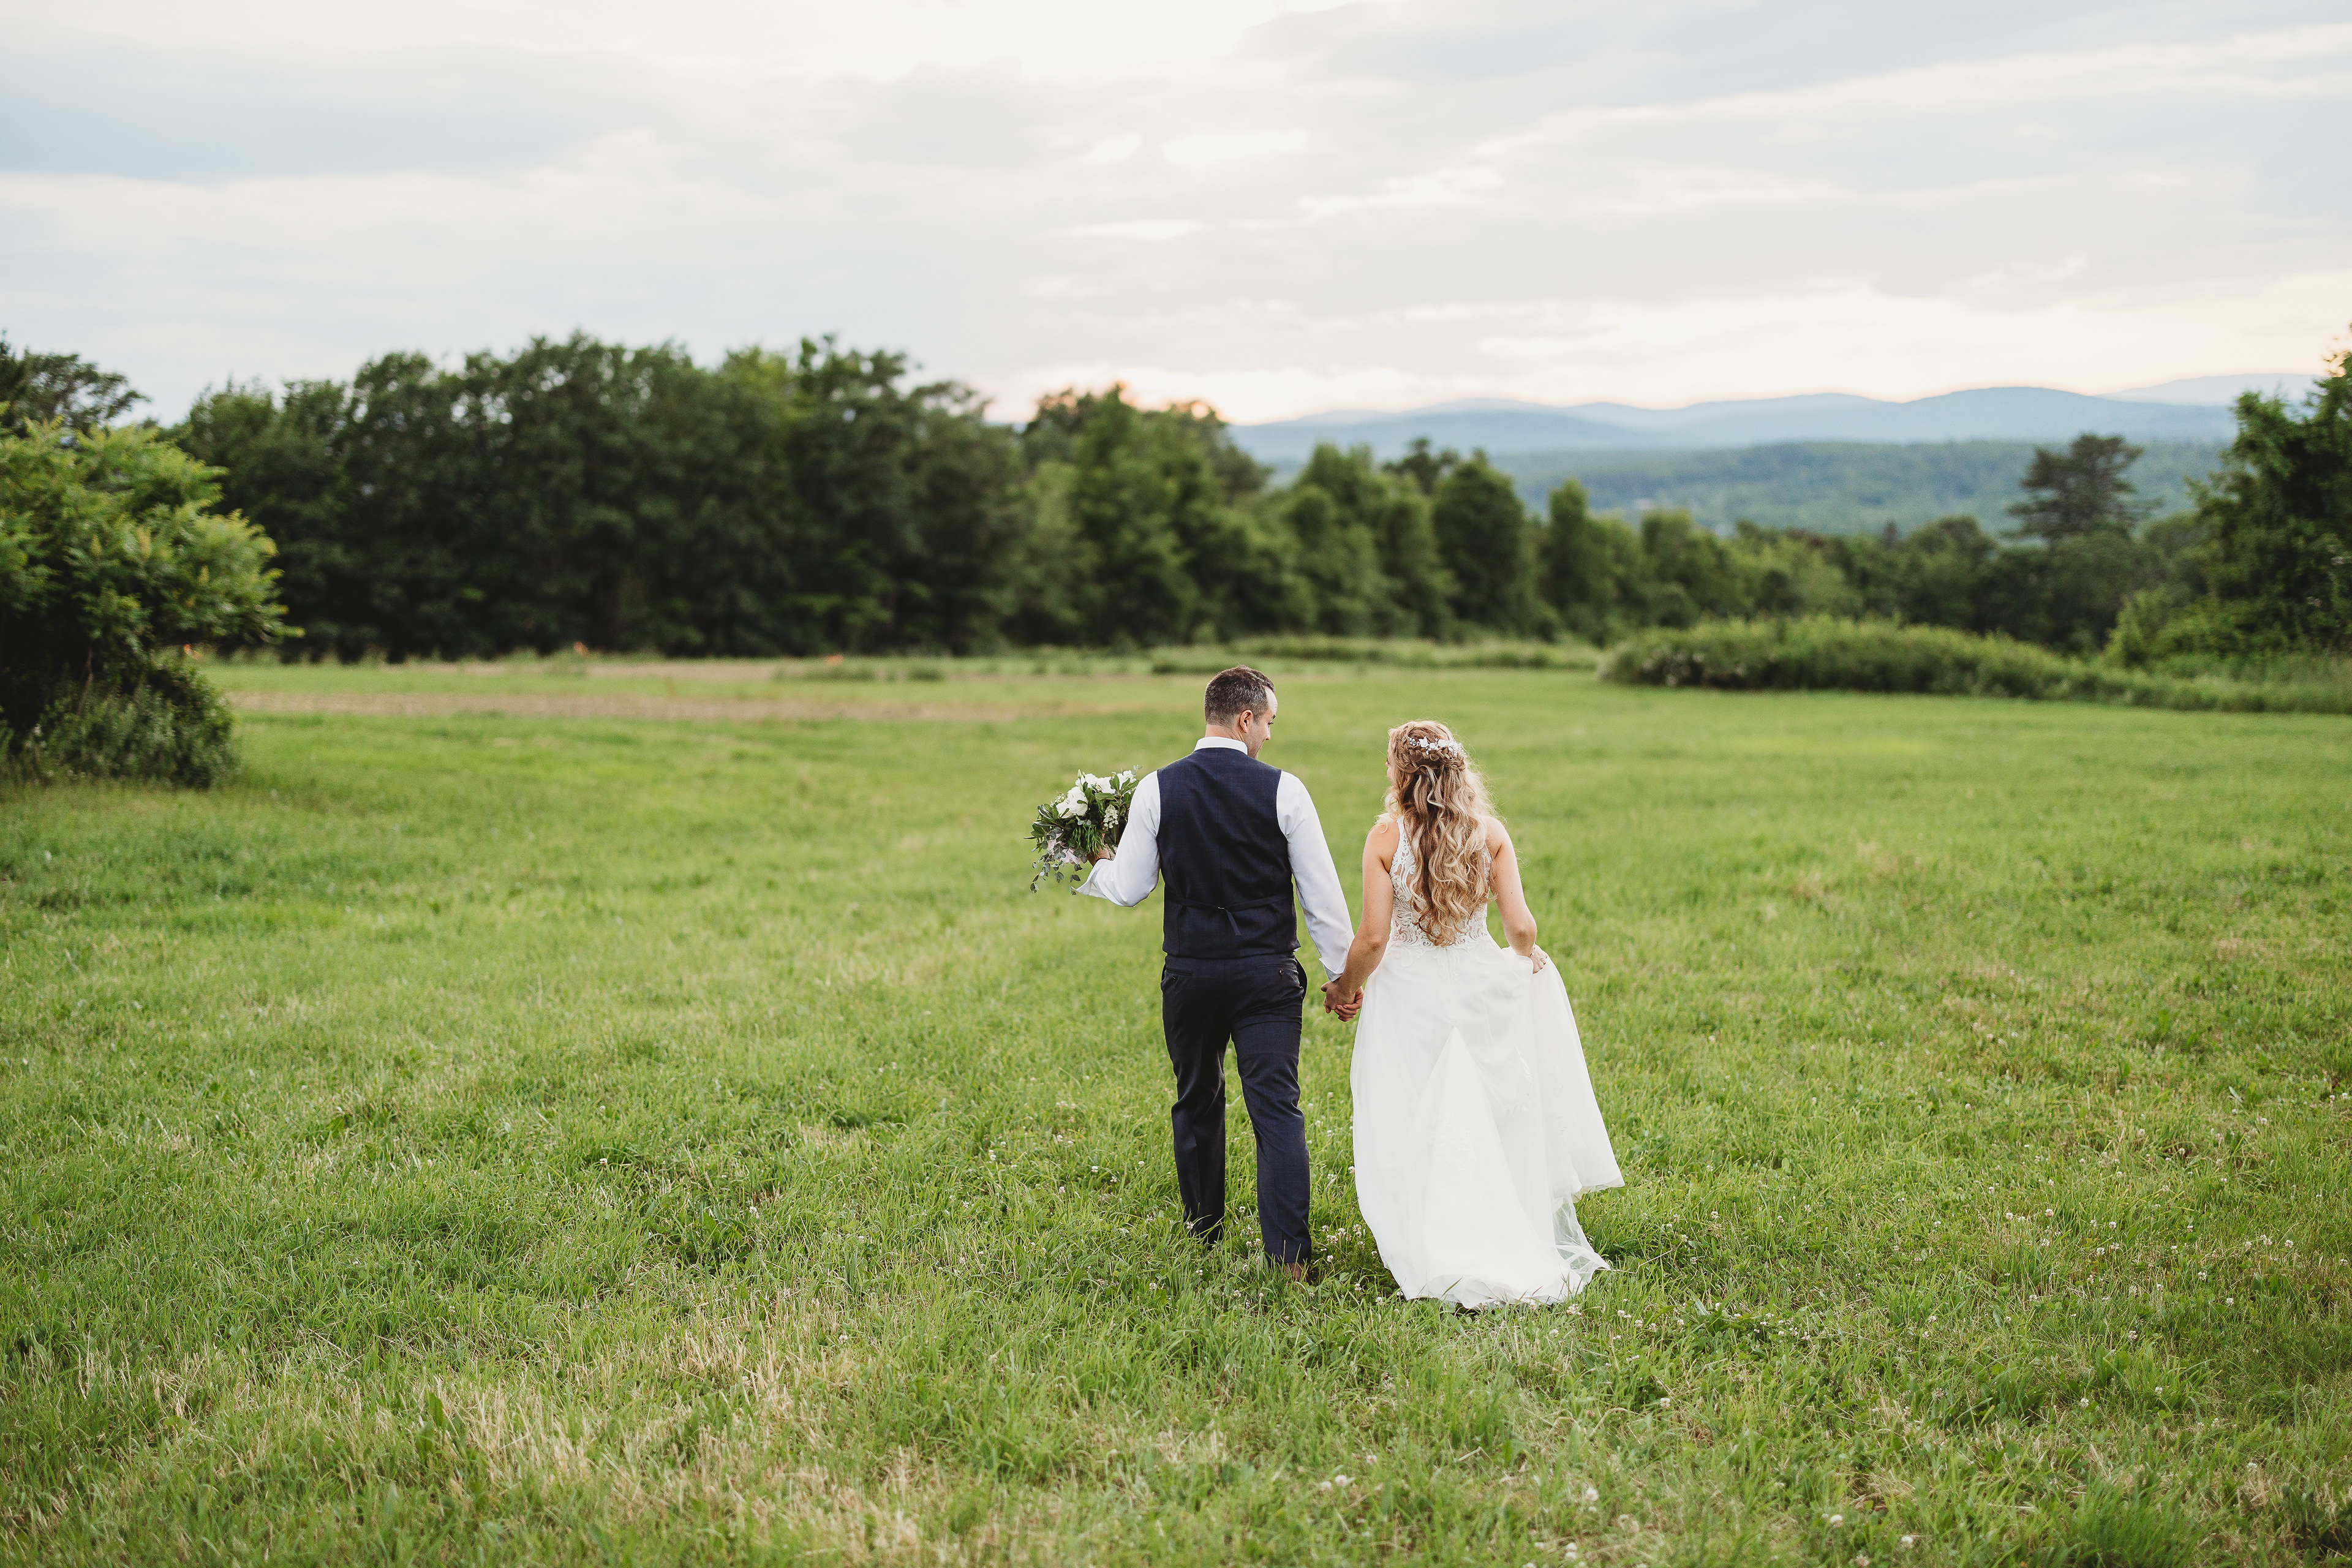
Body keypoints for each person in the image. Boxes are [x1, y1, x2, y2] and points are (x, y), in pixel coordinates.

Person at [1321, 720, 1621, 1308]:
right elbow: (1521, 928)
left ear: (1403, 774)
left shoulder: (1385, 838)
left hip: (1410, 994)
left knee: (1415, 1117)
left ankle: (1434, 1239)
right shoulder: (1488, 834)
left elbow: (1375, 938)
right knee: (1493, 1116)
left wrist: (1346, 988)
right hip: (1481, 987)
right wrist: (1525, 958)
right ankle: (1502, 1226)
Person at [1081, 666, 1353, 1278]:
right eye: (1270, 724)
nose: (1269, 739)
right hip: (1265, 978)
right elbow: (1322, 899)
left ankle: (1203, 1231)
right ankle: (1289, 1260)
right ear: (1245, 718)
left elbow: (1130, 889)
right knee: (1277, 1111)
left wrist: (1095, 863)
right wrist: (1343, 977)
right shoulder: (1287, 791)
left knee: (1196, 1097)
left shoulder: (1157, 788)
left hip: (1191, 974)